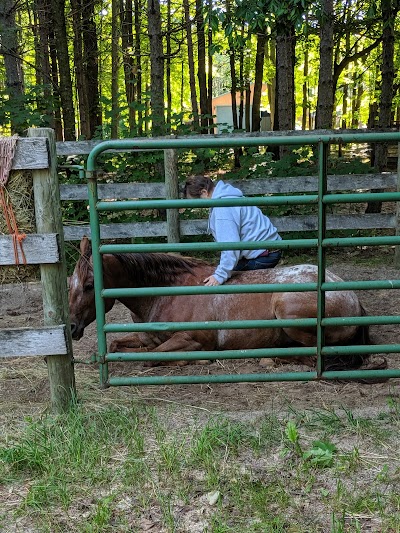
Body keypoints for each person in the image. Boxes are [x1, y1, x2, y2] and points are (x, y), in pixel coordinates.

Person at [183, 175, 282, 286]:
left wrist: (220, 276)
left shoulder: (223, 209)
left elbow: (231, 246)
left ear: (204, 192)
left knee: (224, 280)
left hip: (263, 255)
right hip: (268, 248)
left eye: (196, 202)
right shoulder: (227, 197)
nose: (198, 206)